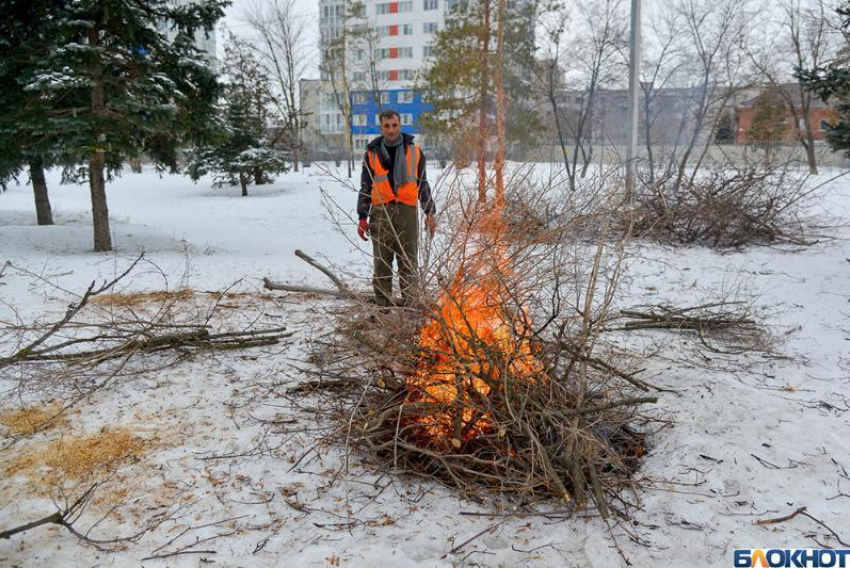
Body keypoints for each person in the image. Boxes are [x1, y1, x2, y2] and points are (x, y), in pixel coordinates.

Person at [357, 109, 436, 307]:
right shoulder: (371, 154)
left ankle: (410, 307)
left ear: (400, 126)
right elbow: (365, 187)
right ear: (381, 128)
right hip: (381, 213)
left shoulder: (415, 152)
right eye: (387, 126)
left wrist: (429, 212)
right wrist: (362, 217)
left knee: (408, 262)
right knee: (382, 263)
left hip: (407, 212)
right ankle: (383, 308)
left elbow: (422, 184)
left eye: (394, 125)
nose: (391, 130)